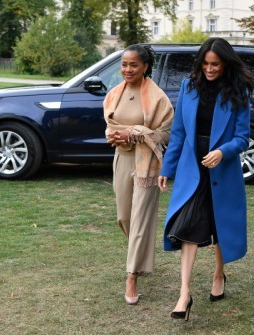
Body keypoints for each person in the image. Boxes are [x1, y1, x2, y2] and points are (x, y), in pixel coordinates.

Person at [158, 37, 253, 320]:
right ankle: (184, 293)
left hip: (222, 171)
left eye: (216, 64)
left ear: (225, 64)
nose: (210, 69)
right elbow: (178, 132)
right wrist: (167, 168)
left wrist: (223, 152)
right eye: (206, 64)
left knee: (221, 226)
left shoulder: (238, 92)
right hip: (192, 169)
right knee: (187, 226)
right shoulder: (188, 87)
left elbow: (243, 138)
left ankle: (219, 274)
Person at [103, 44, 174, 304]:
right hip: (122, 159)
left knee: (142, 218)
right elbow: (110, 127)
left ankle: (131, 275)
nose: (127, 69)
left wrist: (134, 133)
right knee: (124, 217)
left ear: (145, 67)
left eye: (134, 65)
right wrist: (117, 136)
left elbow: (166, 133)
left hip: (148, 164)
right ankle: (139, 253)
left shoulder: (158, 98)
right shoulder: (114, 94)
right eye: (124, 64)